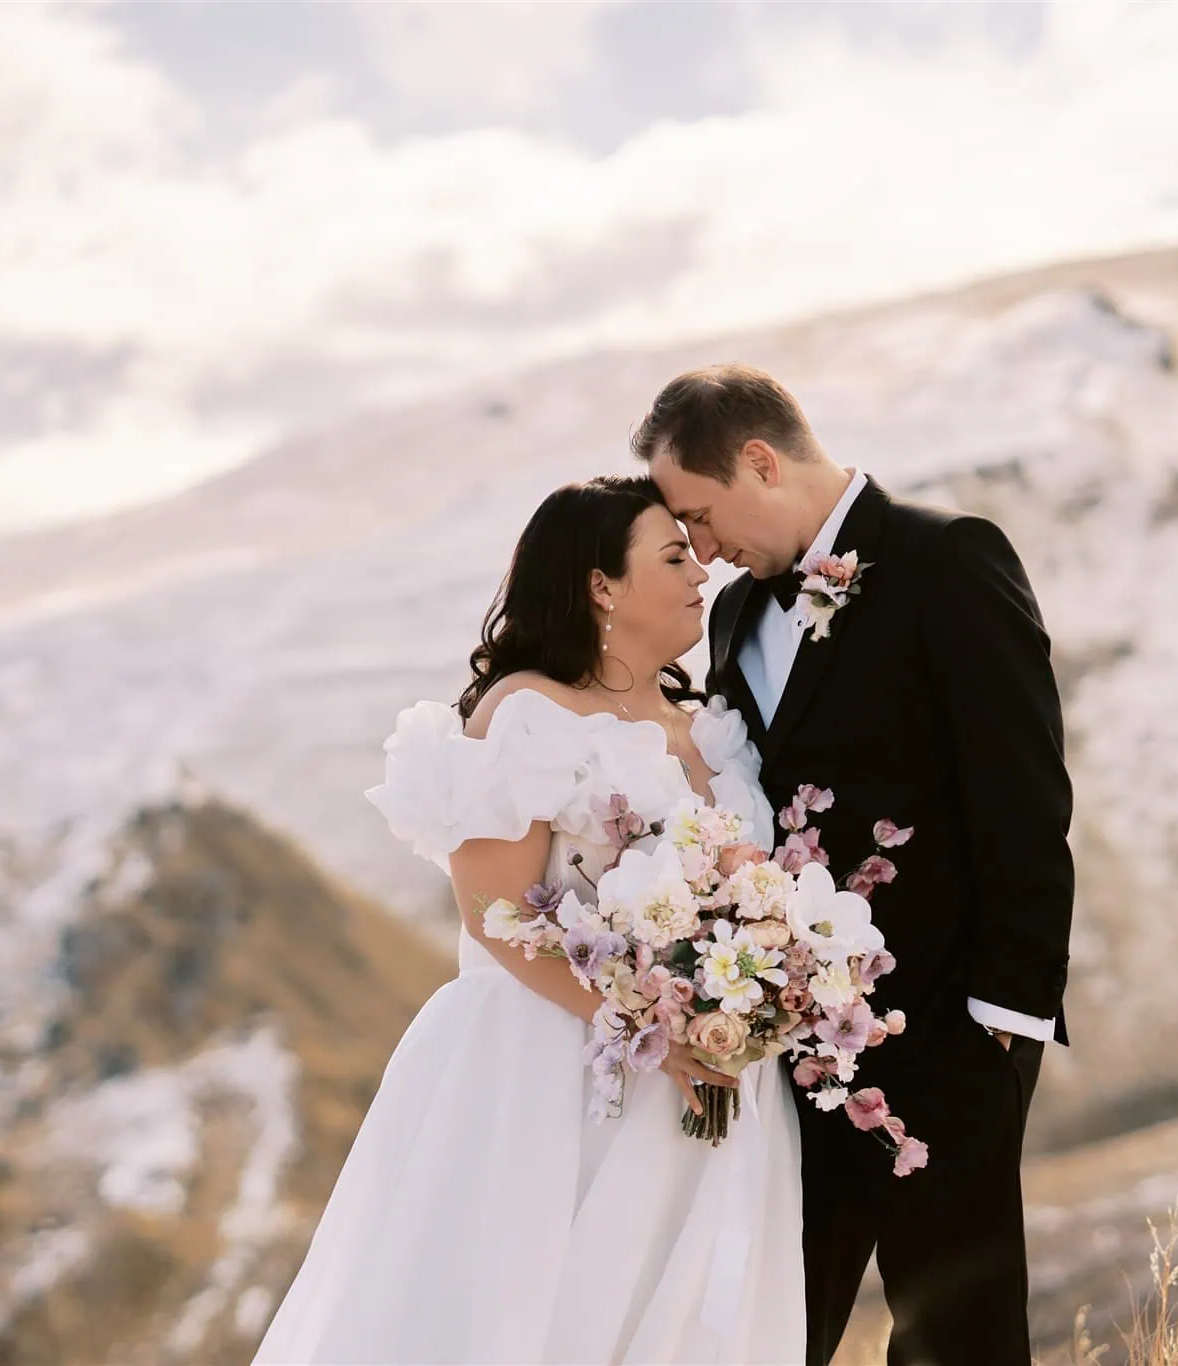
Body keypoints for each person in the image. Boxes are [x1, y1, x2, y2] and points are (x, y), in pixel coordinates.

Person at [252, 476, 804, 1365]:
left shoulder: (714, 730)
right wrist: (646, 1030)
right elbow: (496, 916)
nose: (701, 570)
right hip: (558, 1071)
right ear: (600, 585)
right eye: (672, 555)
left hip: (714, 1076)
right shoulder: (527, 714)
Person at [639, 364, 1076, 1366]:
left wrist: (1000, 1019)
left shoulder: (947, 560)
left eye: (702, 517)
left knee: (950, 1331)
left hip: (948, 1025)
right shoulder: (734, 617)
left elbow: (1020, 792)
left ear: (758, 460)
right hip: (788, 1036)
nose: (701, 554)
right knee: (774, 1318)